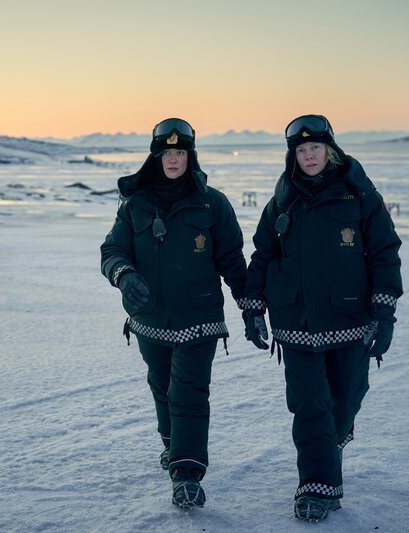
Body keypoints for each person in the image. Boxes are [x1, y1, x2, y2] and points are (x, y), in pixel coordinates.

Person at [242, 114, 403, 522]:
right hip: (294, 319)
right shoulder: (282, 201)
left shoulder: (360, 195)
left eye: (315, 148)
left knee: (346, 397)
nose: (309, 155)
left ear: (330, 150)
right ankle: (317, 486)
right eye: (301, 149)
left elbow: (384, 252)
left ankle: (333, 439)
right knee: (310, 405)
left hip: (350, 316)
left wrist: (385, 314)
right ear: (292, 155)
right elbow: (262, 256)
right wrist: (253, 308)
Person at [100, 117, 248, 509]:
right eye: (167, 152)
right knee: (162, 387)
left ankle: (186, 472)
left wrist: (250, 307)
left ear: (190, 156)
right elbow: (112, 250)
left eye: (180, 152)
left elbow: (232, 260)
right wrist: (124, 275)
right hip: (149, 318)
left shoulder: (212, 203)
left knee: (189, 394)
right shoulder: (135, 204)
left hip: (200, 318)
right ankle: (173, 445)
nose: (173, 159)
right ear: (156, 156)